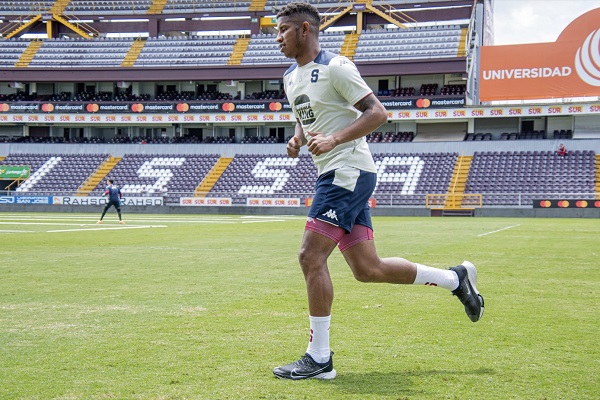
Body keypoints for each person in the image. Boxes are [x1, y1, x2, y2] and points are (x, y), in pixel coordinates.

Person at [272, 2, 484, 381]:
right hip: (337, 172)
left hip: (347, 171)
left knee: (309, 256)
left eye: (283, 31)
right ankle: (456, 279)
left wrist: (335, 137)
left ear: (305, 29)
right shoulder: (290, 76)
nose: (277, 38)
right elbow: (307, 117)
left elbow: (377, 113)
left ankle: (319, 358)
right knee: (368, 269)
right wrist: (297, 139)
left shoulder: (336, 67)